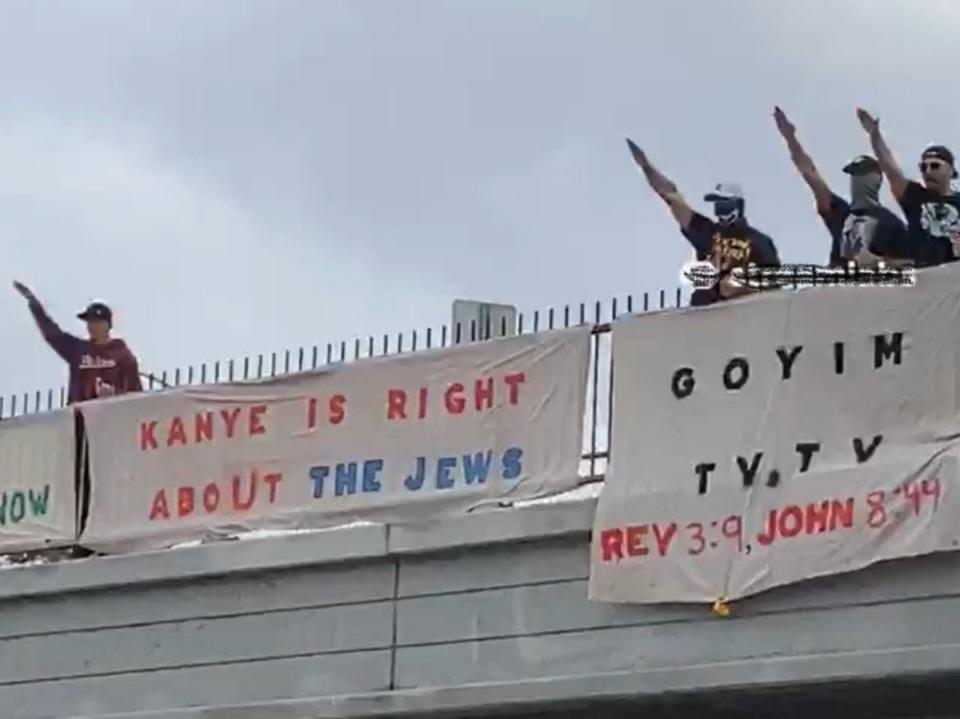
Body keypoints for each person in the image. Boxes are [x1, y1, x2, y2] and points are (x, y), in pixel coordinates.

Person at [626, 139, 780, 305]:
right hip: (706, 314)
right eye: (718, 207)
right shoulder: (708, 232)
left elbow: (773, 284)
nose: (721, 213)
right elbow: (673, 199)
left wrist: (736, 286)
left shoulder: (759, 241)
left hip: (744, 313)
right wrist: (647, 167)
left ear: (738, 206)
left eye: (725, 206)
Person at [773, 106, 909, 267]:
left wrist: (877, 263)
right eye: (855, 175)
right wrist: (791, 139)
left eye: (863, 175)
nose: (858, 181)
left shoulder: (890, 223)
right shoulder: (842, 214)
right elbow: (810, 175)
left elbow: (912, 265)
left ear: (877, 180)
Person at [857, 108, 960, 266]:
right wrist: (875, 137)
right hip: (923, 273)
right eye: (923, 167)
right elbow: (891, 170)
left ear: (951, 170)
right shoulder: (915, 196)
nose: (928, 171)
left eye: (935, 166)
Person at [13, 281, 143, 403]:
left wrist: (114, 393)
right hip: (80, 418)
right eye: (90, 322)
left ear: (108, 325)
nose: (92, 326)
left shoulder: (122, 354)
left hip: (112, 419)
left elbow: (136, 395)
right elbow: (53, 334)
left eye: (97, 322)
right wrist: (35, 305)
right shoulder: (78, 350)